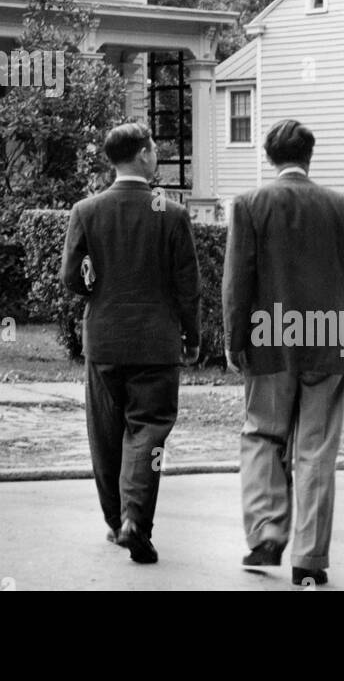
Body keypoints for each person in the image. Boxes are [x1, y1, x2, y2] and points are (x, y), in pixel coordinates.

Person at [223, 119, 344, 586]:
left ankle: (267, 533)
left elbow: (238, 281)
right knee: (316, 450)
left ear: (269, 158)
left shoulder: (249, 205)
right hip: (331, 340)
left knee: (262, 435)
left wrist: (235, 340)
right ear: (309, 156)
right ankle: (310, 558)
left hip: (269, 338)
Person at [60, 122, 201, 565]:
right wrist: (193, 338)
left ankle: (114, 519)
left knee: (105, 434)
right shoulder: (172, 212)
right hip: (157, 342)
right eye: (155, 148)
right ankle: (135, 520)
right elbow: (188, 287)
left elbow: (72, 276)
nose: (157, 154)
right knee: (149, 429)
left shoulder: (87, 209)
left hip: (104, 338)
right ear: (142, 154)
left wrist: (96, 288)